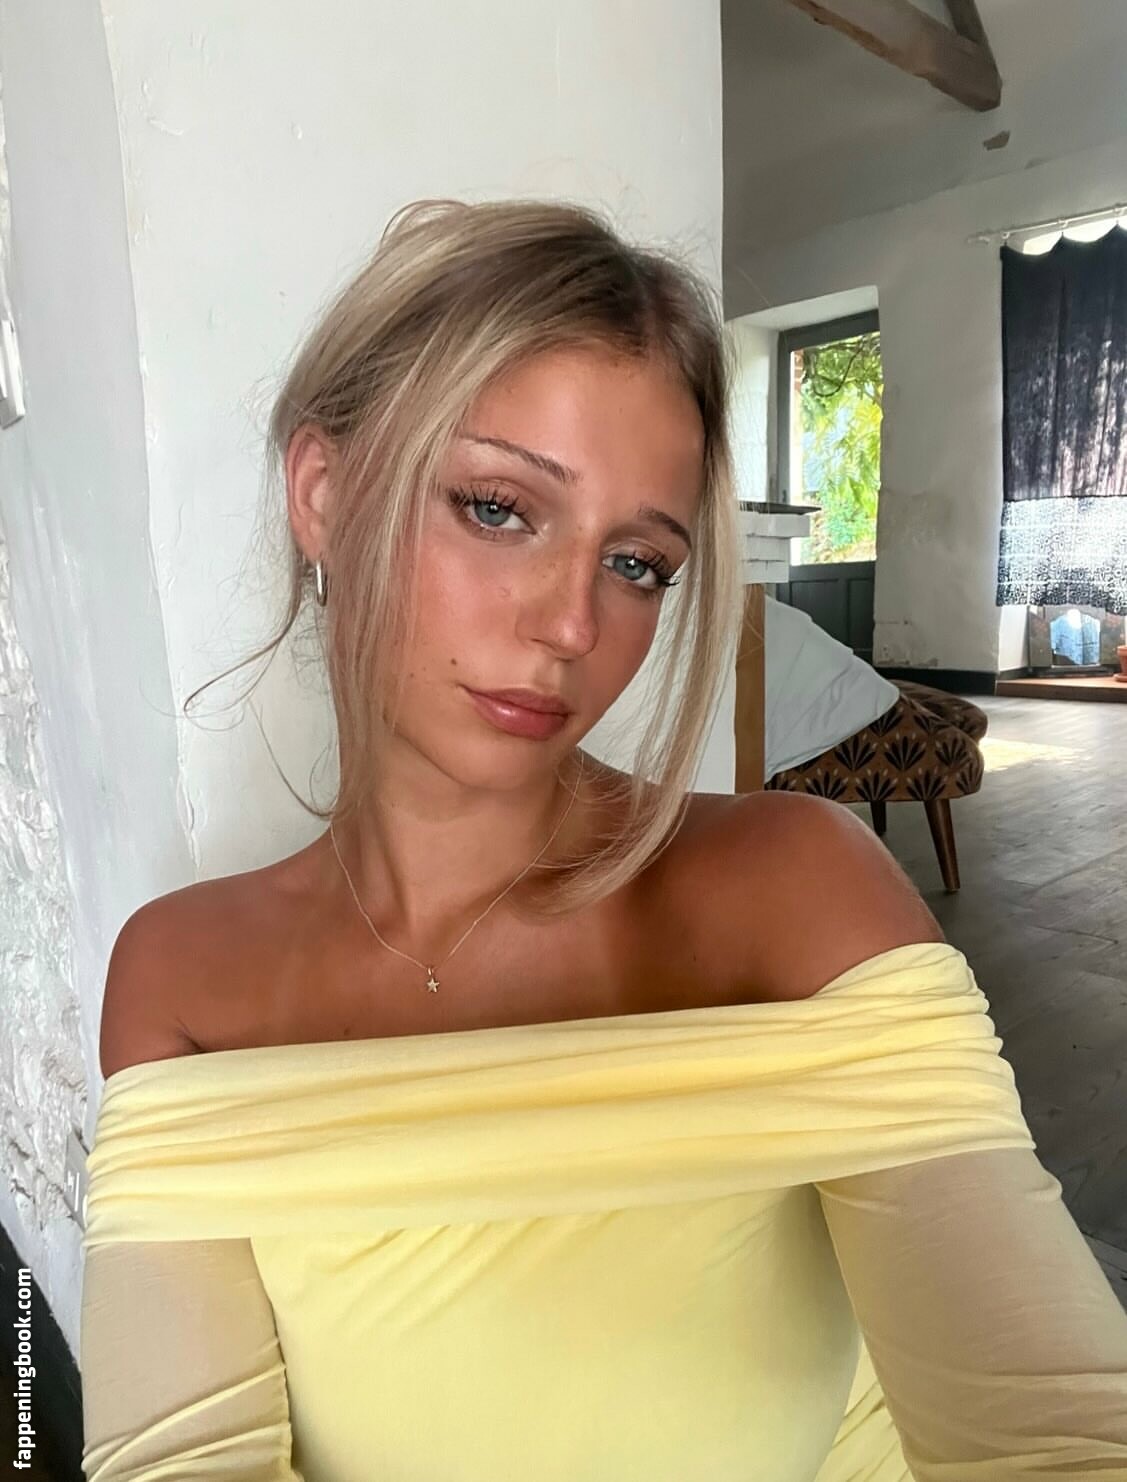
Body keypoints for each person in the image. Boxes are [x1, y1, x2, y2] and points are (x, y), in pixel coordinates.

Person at [79, 198, 1127, 1482]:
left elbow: (1053, 1432)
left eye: (636, 563)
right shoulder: (184, 979)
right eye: (498, 508)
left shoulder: (789, 895)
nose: (573, 625)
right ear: (326, 495)